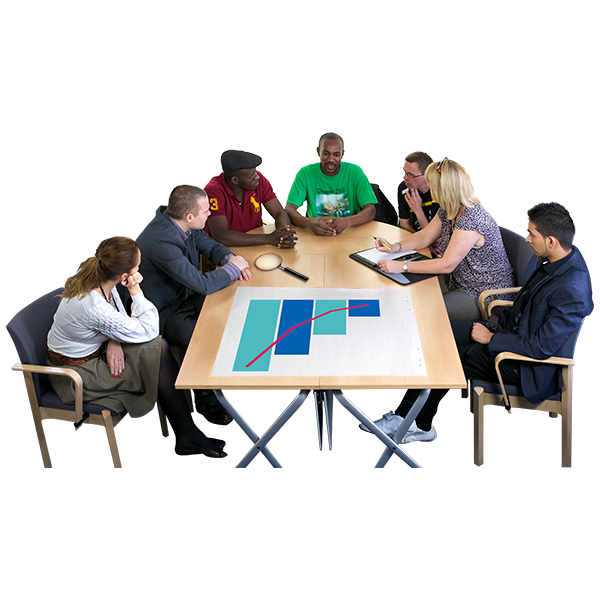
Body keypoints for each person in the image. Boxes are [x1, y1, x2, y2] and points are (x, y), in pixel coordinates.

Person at [366, 202, 592, 444]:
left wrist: (492, 338)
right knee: (434, 335)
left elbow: (541, 347)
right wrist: (493, 329)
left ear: (551, 242)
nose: (527, 239)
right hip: (508, 335)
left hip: (523, 365)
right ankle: (405, 412)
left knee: (441, 356)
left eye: (531, 234)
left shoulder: (571, 288)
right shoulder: (554, 261)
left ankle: (420, 425)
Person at [46, 237, 226, 458]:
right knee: (156, 349)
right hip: (77, 374)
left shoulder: (94, 270)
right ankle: (187, 431)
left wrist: (114, 339)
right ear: (124, 277)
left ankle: (186, 431)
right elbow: (149, 329)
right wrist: (135, 289)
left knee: (158, 350)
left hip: (95, 350)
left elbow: (116, 310)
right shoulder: (94, 306)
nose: (140, 271)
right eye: (137, 267)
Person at [136, 184, 252, 425]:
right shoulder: (162, 242)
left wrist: (229, 257)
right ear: (190, 216)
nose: (210, 214)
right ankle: (207, 402)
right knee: (202, 340)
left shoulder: (181, 223)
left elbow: (206, 242)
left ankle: (224, 375)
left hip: (185, 296)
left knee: (228, 311)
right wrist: (234, 268)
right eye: (206, 211)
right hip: (165, 311)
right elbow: (203, 283)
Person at [375, 157, 515, 321]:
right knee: (411, 294)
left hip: (483, 293)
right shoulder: (448, 209)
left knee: (421, 308)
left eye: (430, 184)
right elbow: (425, 236)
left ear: (442, 189)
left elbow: (446, 264)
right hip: (460, 282)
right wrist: (394, 247)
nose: (428, 188)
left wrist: (401, 266)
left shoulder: (470, 217)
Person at [285, 132, 377, 236]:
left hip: (350, 233)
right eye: (326, 153)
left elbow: (370, 210)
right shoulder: (305, 173)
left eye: (336, 154)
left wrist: (347, 222)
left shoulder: (355, 172)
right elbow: (289, 209)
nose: (330, 159)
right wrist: (308, 223)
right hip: (317, 235)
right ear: (318, 151)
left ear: (342, 154)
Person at [204, 149, 297, 248]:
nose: (257, 177)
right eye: (252, 175)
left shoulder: (258, 181)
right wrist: (269, 238)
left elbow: (279, 213)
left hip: (256, 244)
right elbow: (221, 236)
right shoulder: (213, 192)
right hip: (224, 250)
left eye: (255, 172)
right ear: (235, 180)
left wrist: (284, 233)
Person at [397, 151, 442, 256]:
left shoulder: (439, 193)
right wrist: (424, 243)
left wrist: (418, 210)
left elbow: (436, 239)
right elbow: (404, 225)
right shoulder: (404, 189)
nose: (404, 178)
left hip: (437, 246)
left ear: (427, 176)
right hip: (417, 241)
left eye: (410, 175)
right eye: (404, 172)